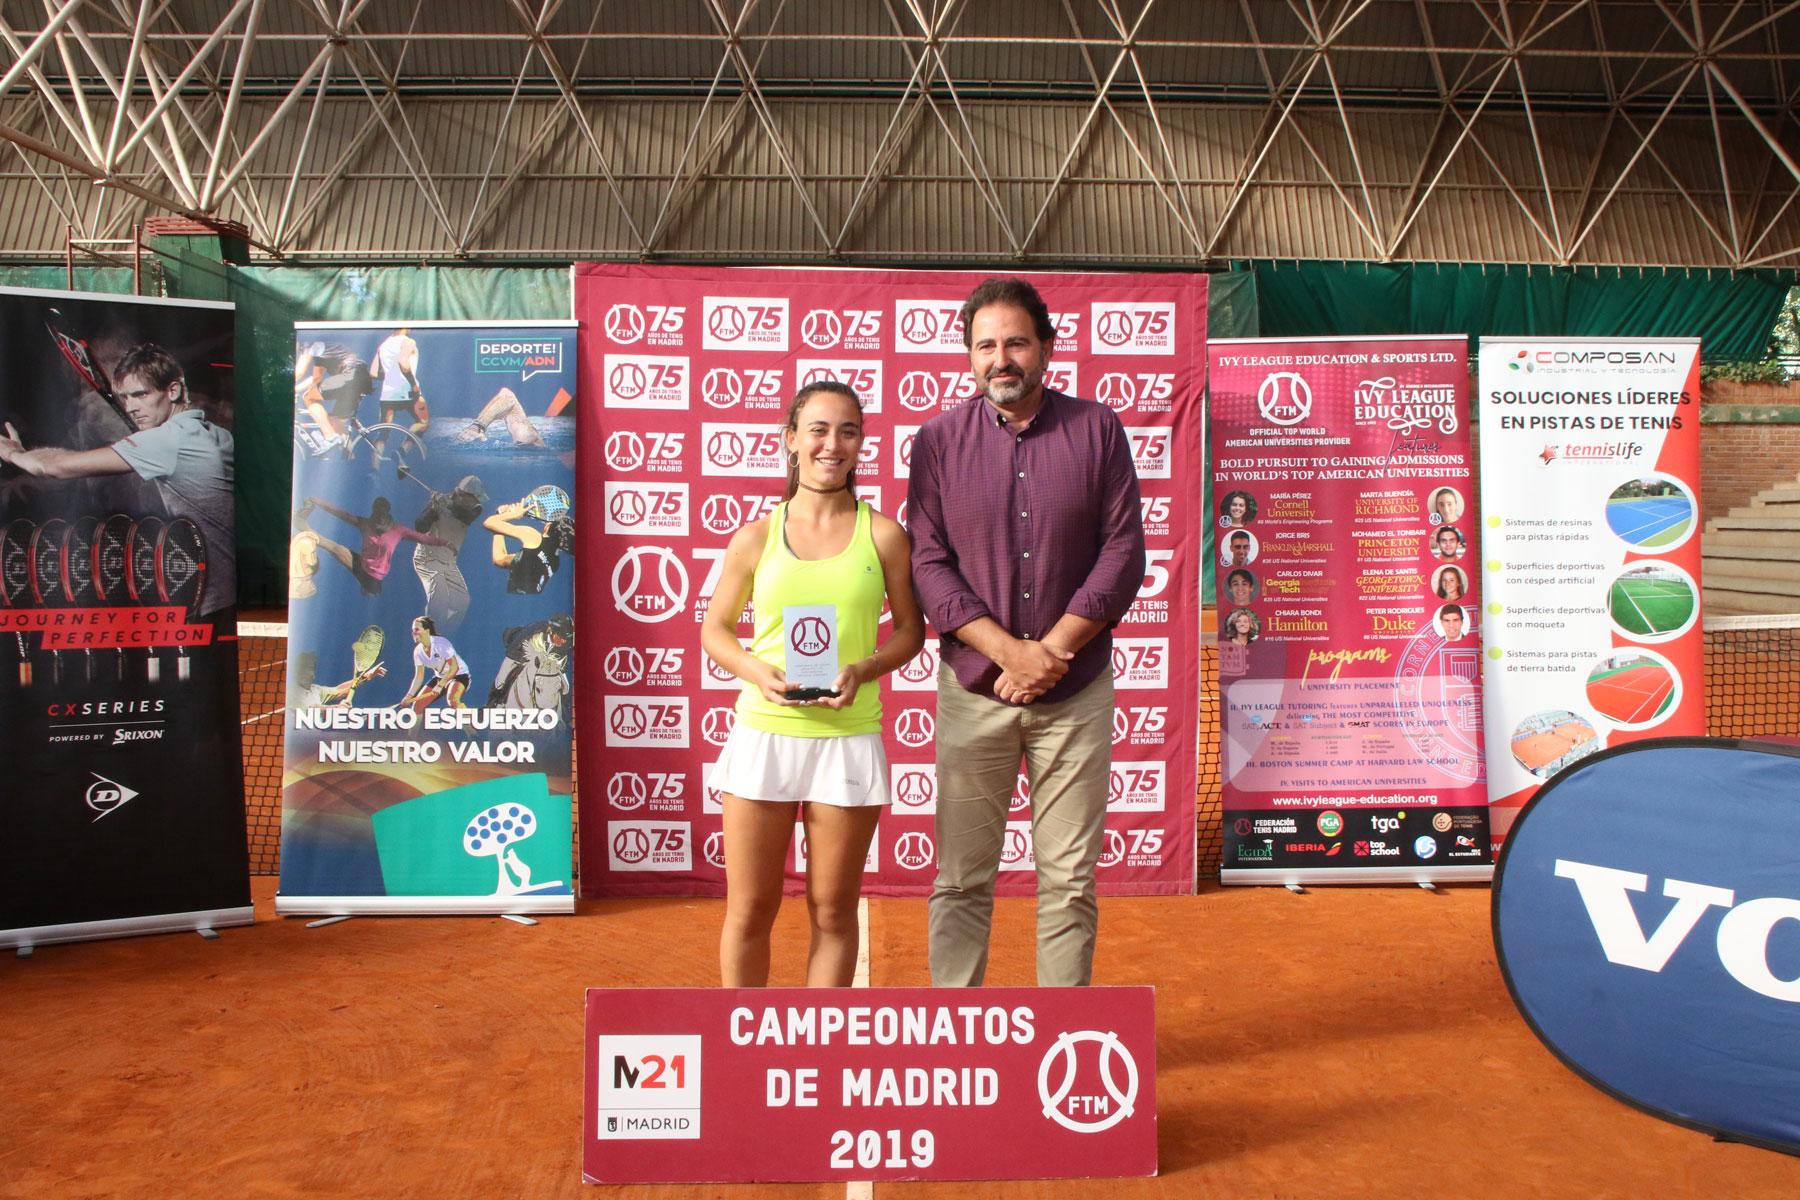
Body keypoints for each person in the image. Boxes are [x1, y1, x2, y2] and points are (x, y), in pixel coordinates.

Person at [908, 277, 1146, 989]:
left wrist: (1054, 652)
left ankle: (1060, 1043)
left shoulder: (1098, 429)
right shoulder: (939, 442)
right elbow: (928, 560)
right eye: (986, 345)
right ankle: (957, 1037)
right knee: (960, 879)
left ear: (1046, 346)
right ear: (968, 356)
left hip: (1074, 695)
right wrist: (1012, 653)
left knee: (1069, 882)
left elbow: (1123, 552)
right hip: (976, 691)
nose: (1001, 358)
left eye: (1015, 341)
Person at [702, 380, 924, 988]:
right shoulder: (754, 537)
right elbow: (715, 630)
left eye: (847, 431)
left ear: (861, 444)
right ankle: (743, 1048)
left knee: (832, 910)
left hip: (847, 740)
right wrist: (755, 671)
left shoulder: (883, 536)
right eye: (819, 430)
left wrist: (864, 669)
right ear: (791, 440)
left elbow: (910, 633)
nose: (833, 444)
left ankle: (818, 1052)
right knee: (750, 910)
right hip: (764, 738)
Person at [0, 342, 236, 615]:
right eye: (124, 397)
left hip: (212, 603)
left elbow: (56, 467)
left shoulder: (167, 441)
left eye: (141, 395)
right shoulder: (215, 434)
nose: (131, 407)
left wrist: (14, 453)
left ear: (173, 390)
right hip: (224, 597)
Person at [301, 495, 448, 597]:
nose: (380, 516)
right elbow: (340, 513)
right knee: (334, 548)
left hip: (372, 578)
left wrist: (445, 543)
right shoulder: (365, 523)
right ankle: (304, 528)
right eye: (378, 511)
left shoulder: (398, 530)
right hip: (362, 564)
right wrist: (317, 501)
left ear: (387, 511)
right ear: (374, 511)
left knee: (334, 548)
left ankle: (370, 590)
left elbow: (423, 538)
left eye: (382, 511)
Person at [411, 474, 486, 628]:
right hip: (428, 559)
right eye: (475, 499)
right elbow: (419, 527)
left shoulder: (474, 510)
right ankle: (430, 640)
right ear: (463, 496)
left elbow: (465, 515)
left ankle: (443, 636)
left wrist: (446, 507)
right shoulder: (438, 504)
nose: (478, 503)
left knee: (462, 602)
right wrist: (433, 509)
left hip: (448, 562)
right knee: (439, 598)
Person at [295, 340, 372, 454]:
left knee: (309, 397)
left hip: (350, 375)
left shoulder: (307, 345)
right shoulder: (323, 351)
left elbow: (299, 373)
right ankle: (348, 459)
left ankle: (330, 437)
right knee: (337, 423)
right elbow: (316, 379)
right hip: (361, 378)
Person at [484, 502, 573, 595]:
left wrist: (510, 515)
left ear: (548, 526)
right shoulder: (555, 563)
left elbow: (489, 523)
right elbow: (500, 560)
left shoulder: (533, 536)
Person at [398, 615, 469, 710]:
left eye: (417, 630)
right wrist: (409, 696)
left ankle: (472, 724)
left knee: (452, 701)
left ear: (427, 631)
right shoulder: (417, 652)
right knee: (417, 707)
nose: (413, 633)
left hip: (459, 675)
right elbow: (419, 677)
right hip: (440, 677)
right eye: (413, 630)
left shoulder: (441, 644)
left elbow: (454, 667)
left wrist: (440, 685)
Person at [286, 649, 385, 709]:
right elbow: (313, 709)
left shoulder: (316, 690)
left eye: (309, 669)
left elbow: (339, 690)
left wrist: (366, 676)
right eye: (301, 668)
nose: (305, 672)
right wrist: (336, 708)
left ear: (313, 673)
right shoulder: (290, 692)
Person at [456, 387, 546, 447]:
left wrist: (478, 425)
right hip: (527, 440)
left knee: (508, 396)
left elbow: (508, 398)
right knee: (505, 391)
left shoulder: (522, 427)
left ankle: (478, 426)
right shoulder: (512, 417)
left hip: (528, 436)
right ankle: (478, 426)